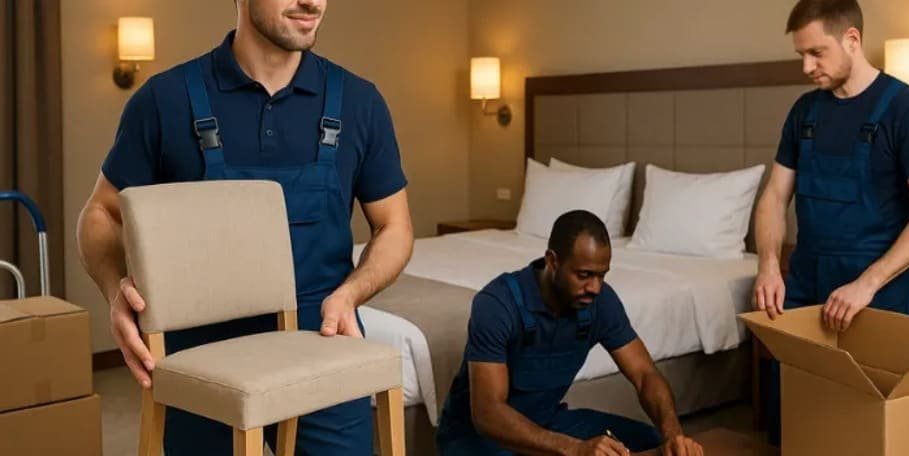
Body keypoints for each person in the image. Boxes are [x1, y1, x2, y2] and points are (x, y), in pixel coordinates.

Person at [76, 0, 414, 454]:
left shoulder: (360, 102)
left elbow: (394, 227)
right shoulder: (165, 100)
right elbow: (100, 214)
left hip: (322, 336)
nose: (312, 1)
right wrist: (116, 291)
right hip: (200, 354)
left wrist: (349, 295)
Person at [752, 0, 909, 444]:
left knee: (869, 434)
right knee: (797, 428)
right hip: (805, 289)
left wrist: (867, 283)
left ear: (852, 40)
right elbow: (773, 196)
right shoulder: (804, 113)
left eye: (817, 53)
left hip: (876, 296)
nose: (806, 66)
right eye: (800, 55)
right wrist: (768, 264)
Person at [436, 210, 703, 456]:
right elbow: (488, 414)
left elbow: (645, 375)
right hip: (476, 439)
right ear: (553, 261)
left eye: (602, 275)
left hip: (546, 421)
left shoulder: (600, 302)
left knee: (653, 441)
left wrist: (673, 436)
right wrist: (574, 449)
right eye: (584, 275)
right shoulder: (497, 304)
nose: (595, 288)